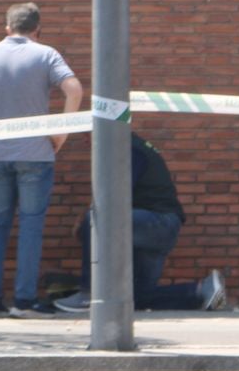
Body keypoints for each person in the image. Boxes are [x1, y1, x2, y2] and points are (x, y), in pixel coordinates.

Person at [0, 2, 83, 318]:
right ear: (37, 29)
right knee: (30, 225)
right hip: (36, 153)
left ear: (7, 28)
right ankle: (23, 302)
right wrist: (61, 131)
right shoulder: (46, 53)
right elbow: (74, 89)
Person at [53, 133, 225, 313]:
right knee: (136, 298)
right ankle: (201, 291)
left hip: (156, 223)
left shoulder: (126, 150)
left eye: (89, 135)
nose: (85, 141)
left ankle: (89, 294)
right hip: (159, 226)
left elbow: (115, 195)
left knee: (96, 220)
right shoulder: (132, 145)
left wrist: (86, 220)